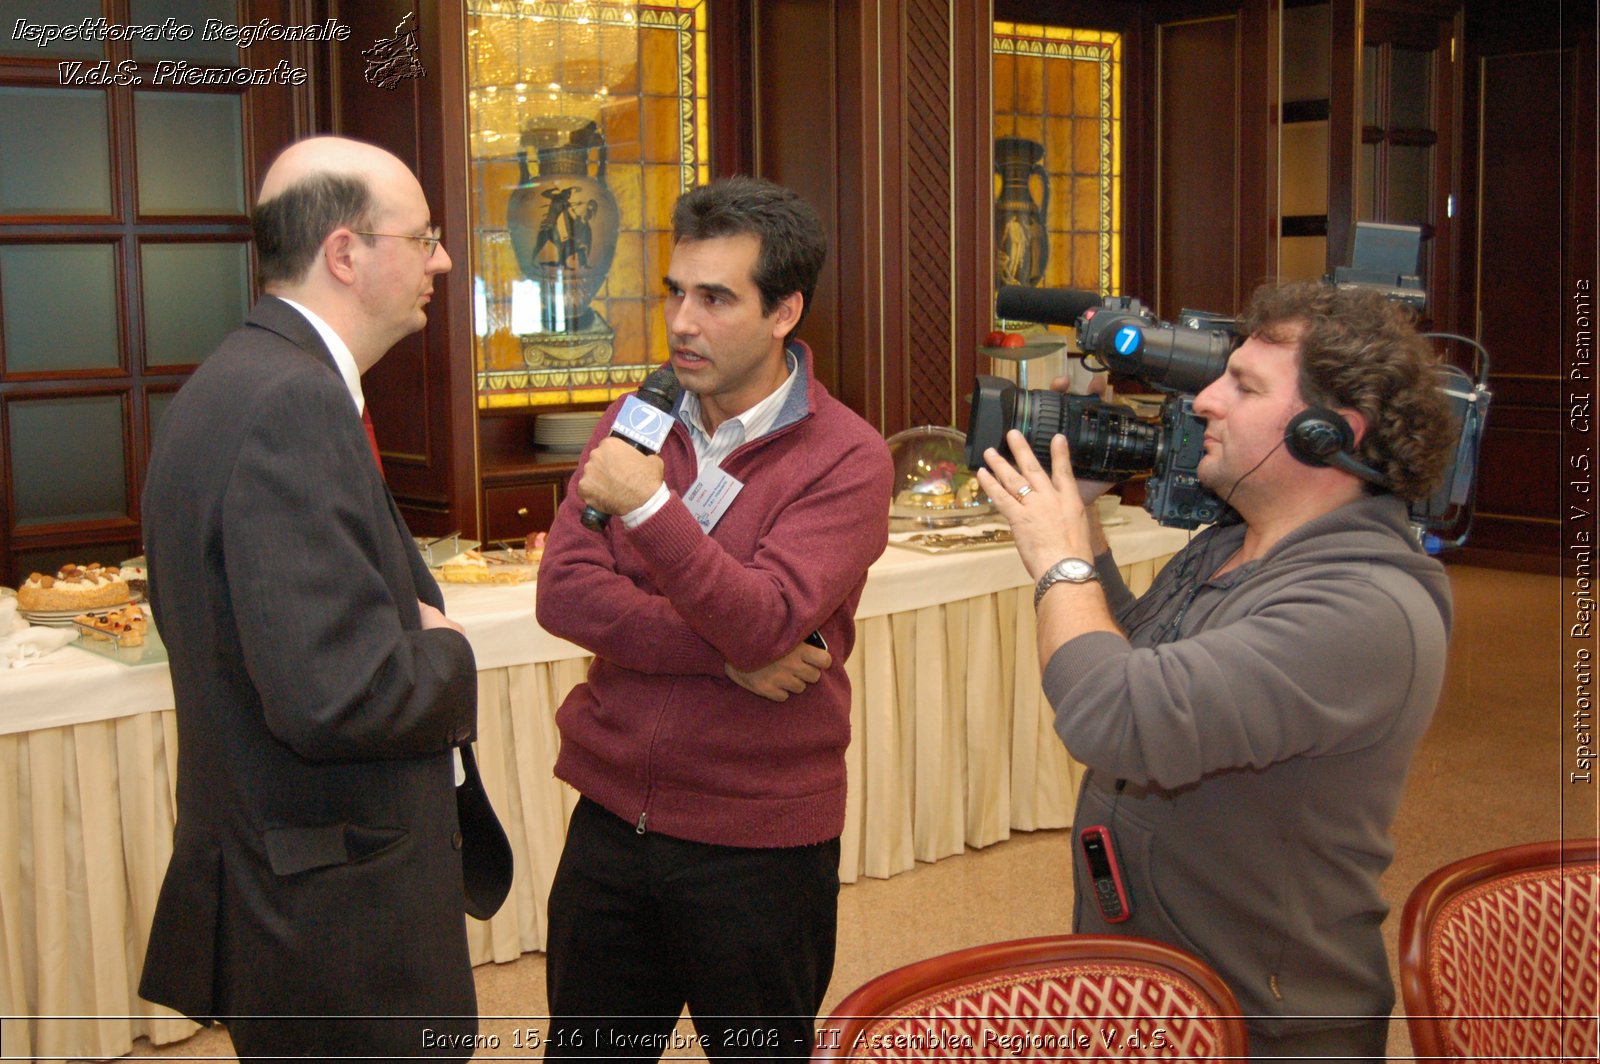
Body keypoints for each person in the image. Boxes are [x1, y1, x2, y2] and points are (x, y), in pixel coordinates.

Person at [976, 281, 1457, 1060]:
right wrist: (1086, 518)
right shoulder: (1232, 542)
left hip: (1261, 1024)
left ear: (1324, 434)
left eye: (1245, 386)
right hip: (1162, 993)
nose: (1204, 400)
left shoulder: (1365, 607)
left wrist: (1058, 560)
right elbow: (1137, 655)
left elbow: (1118, 718)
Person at [139, 136, 489, 1060]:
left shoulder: (233, 378)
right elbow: (338, 694)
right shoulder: (293, 403)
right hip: (332, 909)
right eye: (423, 238)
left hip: (282, 874)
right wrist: (446, 648)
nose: (442, 262)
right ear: (346, 253)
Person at [534, 176, 893, 1060]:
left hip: (757, 841)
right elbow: (565, 594)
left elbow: (766, 616)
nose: (682, 321)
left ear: (784, 312)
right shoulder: (639, 417)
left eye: (715, 297)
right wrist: (726, 657)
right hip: (612, 817)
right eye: (674, 293)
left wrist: (652, 514)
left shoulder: (848, 457)